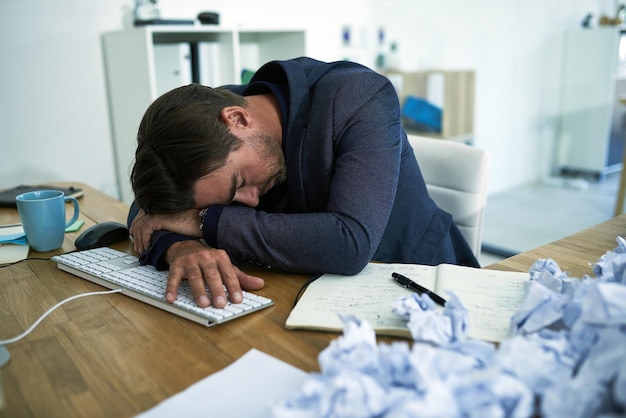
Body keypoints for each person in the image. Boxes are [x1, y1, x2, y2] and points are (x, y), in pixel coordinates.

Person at [127, 56, 479, 309]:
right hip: (302, 294)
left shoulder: (358, 96)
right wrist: (183, 247)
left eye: (240, 183)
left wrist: (203, 220)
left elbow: (349, 242)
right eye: (227, 198)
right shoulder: (209, 124)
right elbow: (148, 211)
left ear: (238, 119)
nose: (248, 200)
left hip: (419, 284)